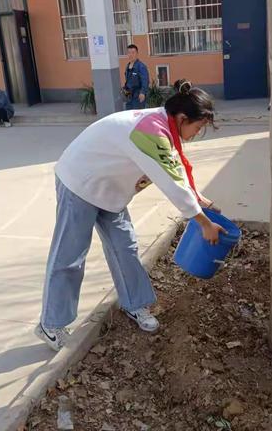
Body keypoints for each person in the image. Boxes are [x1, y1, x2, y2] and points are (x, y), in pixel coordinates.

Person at [35, 79, 223, 351]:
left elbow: (176, 168)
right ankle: (50, 324)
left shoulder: (163, 127)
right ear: (182, 118)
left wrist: (199, 199)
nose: (196, 133)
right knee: (70, 255)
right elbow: (171, 183)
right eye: (198, 127)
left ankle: (135, 305)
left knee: (126, 248)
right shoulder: (150, 131)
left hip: (109, 190)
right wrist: (203, 223)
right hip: (80, 183)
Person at [123, 44, 149, 110]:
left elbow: (145, 80)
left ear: (137, 54)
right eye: (129, 53)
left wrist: (142, 93)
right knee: (129, 115)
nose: (131, 55)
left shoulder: (141, 66)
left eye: (133, 52)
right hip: (129, 96)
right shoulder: (128, 66)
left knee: (137, 116)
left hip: (138, 96)